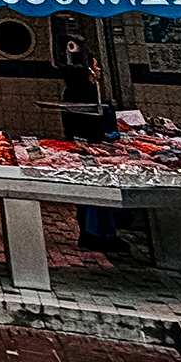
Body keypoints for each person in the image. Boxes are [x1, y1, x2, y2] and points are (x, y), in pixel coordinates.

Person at [54, 39, 127, 253]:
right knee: (94, 193)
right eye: (96, 66)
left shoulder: (80, 89)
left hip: (87, 146)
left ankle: (97, 233)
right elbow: (88, 123)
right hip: (89, 149)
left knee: (91, 194)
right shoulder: (83, 91)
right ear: (88, 69)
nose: (100, 70)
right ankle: (95, 234)